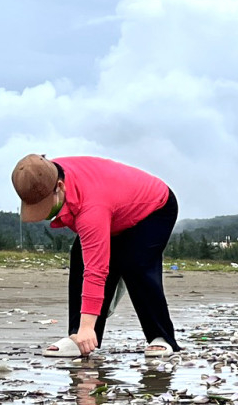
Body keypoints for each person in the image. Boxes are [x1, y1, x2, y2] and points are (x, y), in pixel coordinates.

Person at [12, 153, 181, 357]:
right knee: (80, 258)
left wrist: (87, 325)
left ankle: (161, 336)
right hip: (115, 208)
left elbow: (97, 270)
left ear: (59, 186)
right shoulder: (40, 172)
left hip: (154, 207)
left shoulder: (91, 207)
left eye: (46, 205)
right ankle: (79, 337)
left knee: (136, 264)